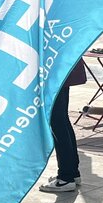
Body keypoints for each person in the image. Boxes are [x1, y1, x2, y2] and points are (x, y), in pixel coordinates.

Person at [38, 61, 87, 193]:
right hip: (62, 70)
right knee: (62, 121)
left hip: (53, 73)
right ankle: (72, 171)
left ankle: (66, 177)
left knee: (58, 123)